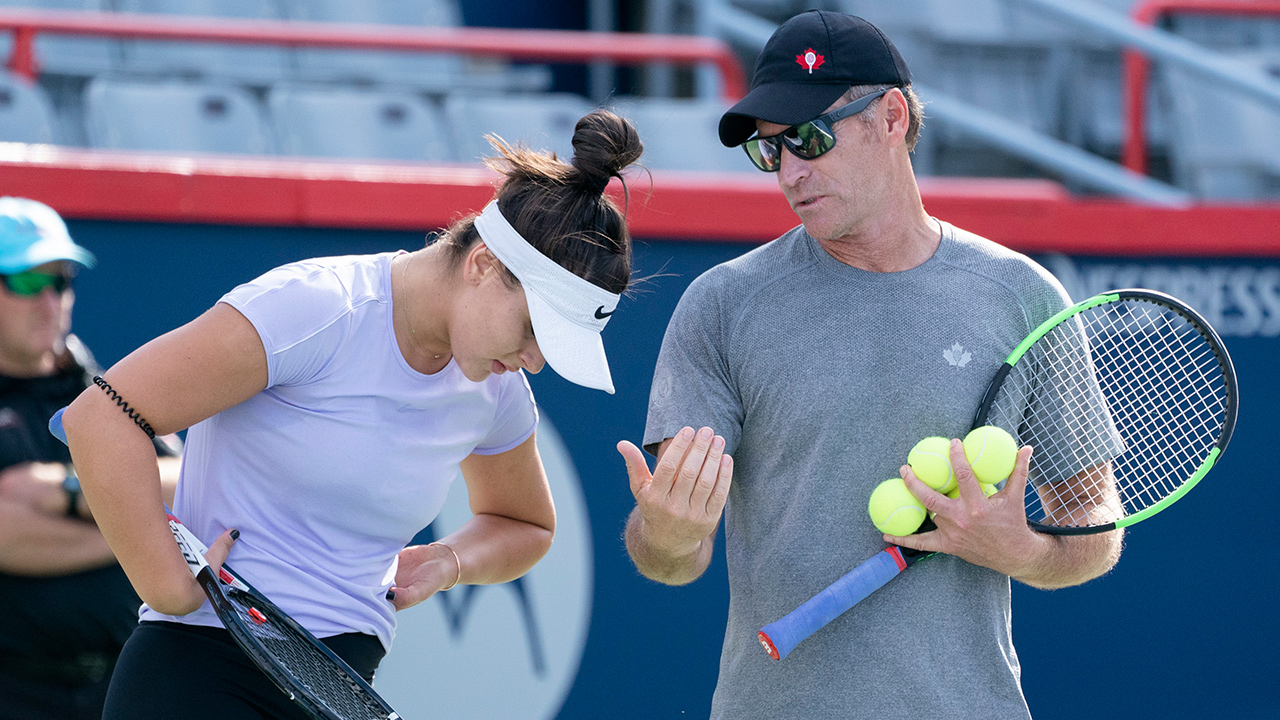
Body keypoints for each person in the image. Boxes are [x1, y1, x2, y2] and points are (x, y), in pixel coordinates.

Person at [617, 11, 1124, 719]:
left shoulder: (1025, 296)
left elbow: (1094, 525)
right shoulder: (722, 306)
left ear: (890, 118)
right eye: (770, 152)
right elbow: (671, 558)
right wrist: (667, 537)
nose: (791, 171)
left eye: (810, 139)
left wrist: (1026, 552)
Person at [60, 110, 643, 720]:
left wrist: (449, 561)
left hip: (340, 686)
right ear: (482, 266)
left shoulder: (497, 390)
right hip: (199, 674)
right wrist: (168, 585)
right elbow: (101, 417)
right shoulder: (316, 308)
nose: (534, 361)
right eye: (532, 331)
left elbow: (529, 526)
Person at [0, 197, 182, 720]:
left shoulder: (92, 383)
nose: (51, 301)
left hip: (120, 692)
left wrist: (66, 490)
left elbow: (188, 480)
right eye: (31, 282)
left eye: (62, 282)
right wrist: (134, 525)